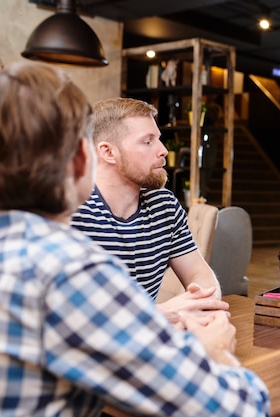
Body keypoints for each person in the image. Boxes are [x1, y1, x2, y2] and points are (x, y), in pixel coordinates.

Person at [0, 61, 269, 416]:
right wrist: (215, 351)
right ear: (88, 156)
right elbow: (239, 408)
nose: (163, 150)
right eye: (148, 140)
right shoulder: (70, 267)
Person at [71, 97, 226, 327]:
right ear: (108, 152)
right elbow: (72, 317)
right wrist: (162, 313)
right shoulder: (71, 211)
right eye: (147, 142)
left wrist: (199, 302)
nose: (163, 151)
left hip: (148, 347)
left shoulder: (164, 205)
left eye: (159, 140)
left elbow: (199, 275)